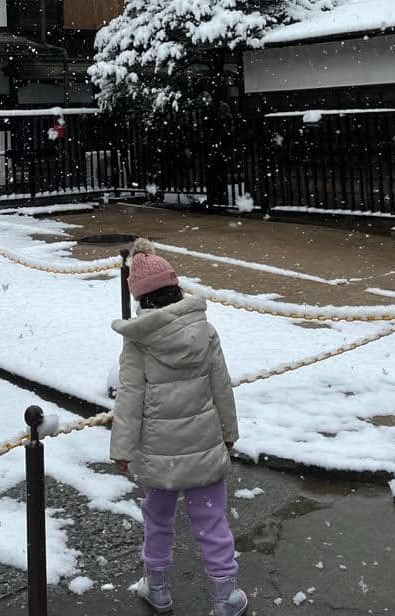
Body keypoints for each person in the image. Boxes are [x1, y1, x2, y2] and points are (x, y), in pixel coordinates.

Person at [110, 238, 246, 616]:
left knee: (157, 521)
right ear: (176, 287)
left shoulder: (138, 344)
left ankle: (157, 589)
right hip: (205, 446)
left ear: (140, 298)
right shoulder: (205, 331)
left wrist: (122, 449)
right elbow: (221, 387)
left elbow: (130, 399)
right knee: (212, 521)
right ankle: (225, 595)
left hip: (159, 454)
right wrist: (229, 433)